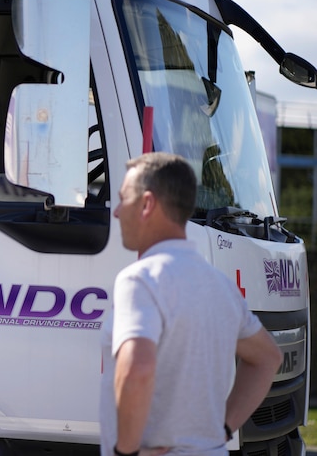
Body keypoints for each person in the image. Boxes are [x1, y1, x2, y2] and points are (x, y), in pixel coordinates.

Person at [100, 152, 282, 456]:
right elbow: (268, 359)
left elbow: (138, 368)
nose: (116, 212)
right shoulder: (220, 285)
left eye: (123, 199)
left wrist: (126, 452)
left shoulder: (140, 279)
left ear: (146, 204)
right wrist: (222, 429)